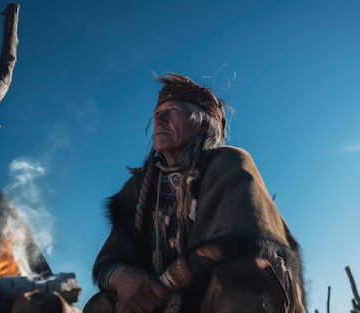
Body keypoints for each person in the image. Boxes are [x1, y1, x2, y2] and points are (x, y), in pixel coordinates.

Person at [83, 73, 306, 313]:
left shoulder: (228, 163)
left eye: (172, 111)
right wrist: (123, 278)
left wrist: (164, 283)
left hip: (213, 293)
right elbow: (109, 260)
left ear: (202, 125)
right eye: (158, 113)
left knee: (245, 274)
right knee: (101, 305)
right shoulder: (139, 187)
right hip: (164, 303)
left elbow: (242, 239)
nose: (160, 120)